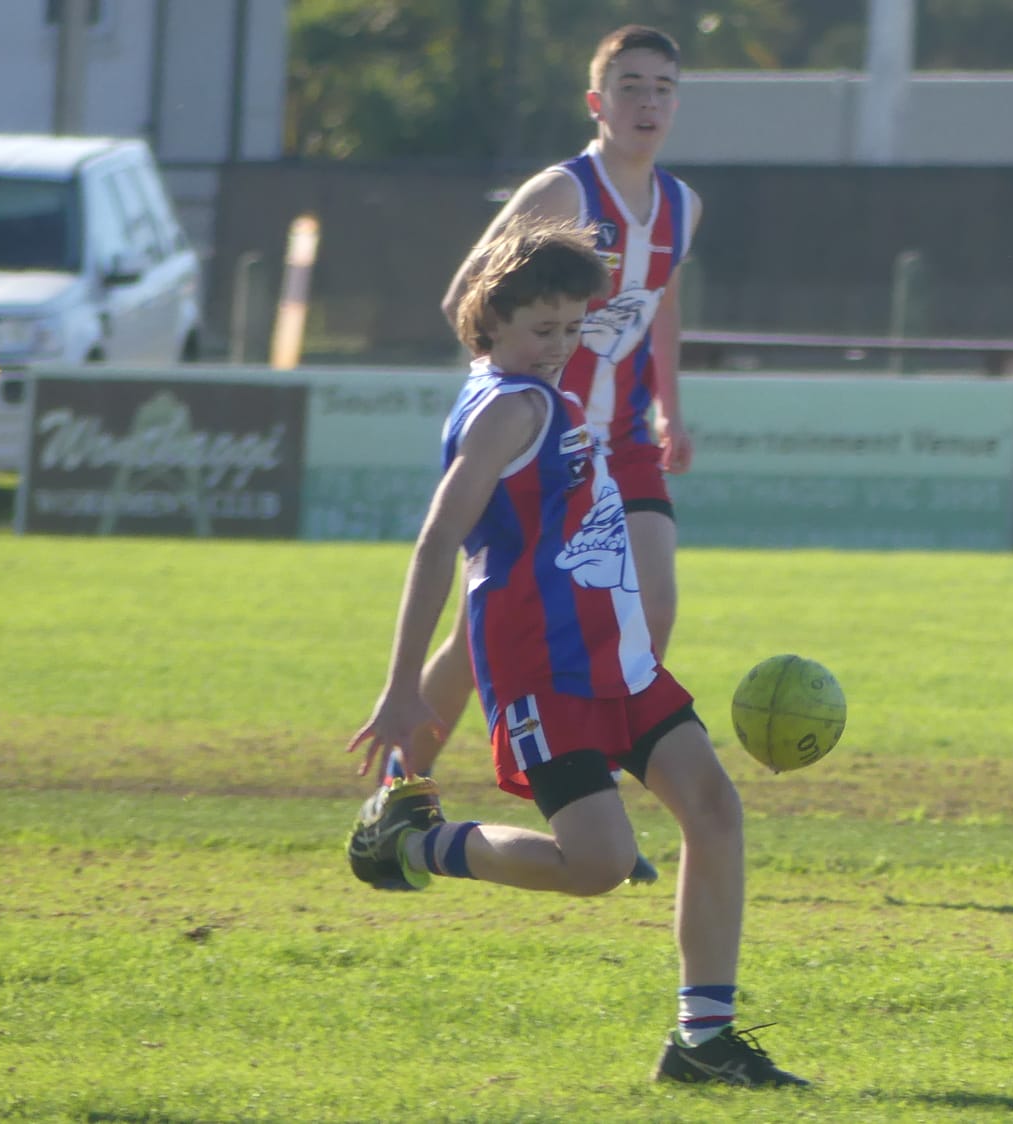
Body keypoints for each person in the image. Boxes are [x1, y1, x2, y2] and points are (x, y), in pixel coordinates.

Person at [344, 217, 806, 1086]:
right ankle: (415, 843)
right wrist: (404, 687)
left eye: (569, 329)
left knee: (713, 809)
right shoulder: (508, 409)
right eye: (541, 330)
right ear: (491, 321)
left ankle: (704, 1041)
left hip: (615, 652)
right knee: (593, 865)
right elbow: (439, 540)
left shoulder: (526, 391)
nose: (559, 347)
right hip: (545, 668)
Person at [388, 28, 703, 883]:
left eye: (663, 88)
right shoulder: (564, 189)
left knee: (653, 607)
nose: (648, 102)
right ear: (597, 103)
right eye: (630, 86)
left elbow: (662, 303)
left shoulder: (681, 205)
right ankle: (397, 789)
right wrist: (503, 413)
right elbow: (469, 294)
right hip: (543, 447)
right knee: (469, 645)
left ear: (677, 104)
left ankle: (593, 792)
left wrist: (672, 404)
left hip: (625, 441)